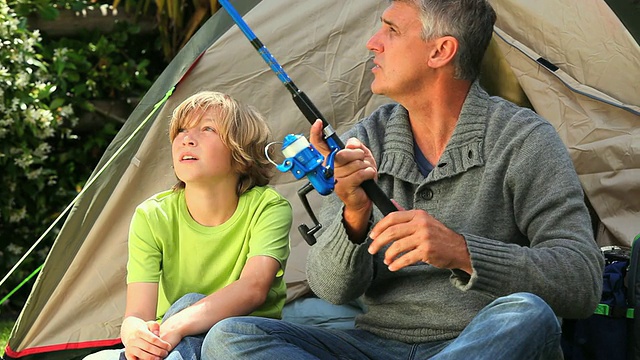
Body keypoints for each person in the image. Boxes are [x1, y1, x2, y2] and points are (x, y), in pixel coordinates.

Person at [202, 0, 604, 359]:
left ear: (441, 51)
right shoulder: (365, 140)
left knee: (528, 316)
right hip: (374, 345)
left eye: (391, 30)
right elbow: (331, 289)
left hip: (480, 341)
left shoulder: (523, 139)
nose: (372, 43)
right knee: (232, 336)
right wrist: (353, 213)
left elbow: (581, 281)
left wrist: (461, 251)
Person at [85, 91, 292, 360]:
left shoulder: (268, 207)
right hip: (171, 340)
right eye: (181, 130)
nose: (186, 138)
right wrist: (137, 336)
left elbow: (253, 288)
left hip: (240, 338)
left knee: (191, 304)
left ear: (241, 153)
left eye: (207, 129)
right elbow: (137, 314)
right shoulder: (152, 215)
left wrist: (176, 325)